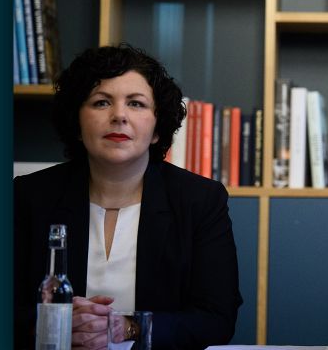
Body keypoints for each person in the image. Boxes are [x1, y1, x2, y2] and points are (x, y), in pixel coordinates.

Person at [14, 43, 242, 350]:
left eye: (136, 104)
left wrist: (130, 327)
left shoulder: (200, 200)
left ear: (158, 128)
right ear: (77, 124)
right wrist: (53, 324)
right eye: (101, 102)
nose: (119, 115)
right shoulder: (29, 196)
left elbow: (217, 318)